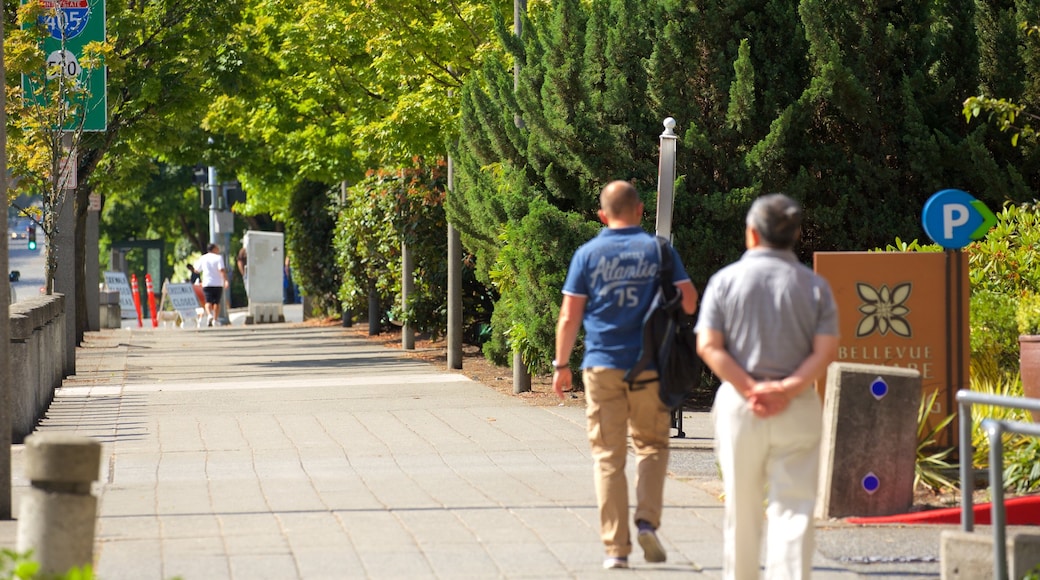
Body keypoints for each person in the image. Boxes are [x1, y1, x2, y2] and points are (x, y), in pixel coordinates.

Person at [552, 180, 698, 570]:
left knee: (607, 457)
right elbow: (689, 301)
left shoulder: (587, 254)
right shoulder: (659, 251)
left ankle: (616, 550)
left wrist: (561, 365)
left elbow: (569, 316)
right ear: (638, 211)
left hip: (601, 366)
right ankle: (647, 521)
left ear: (602, 215)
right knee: (651, 446)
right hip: (650, 367)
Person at [694, 193, 839, 580]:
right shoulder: (815, 287)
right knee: (794, 510)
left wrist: (749, 388)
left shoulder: (725, 281)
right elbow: (826, 351)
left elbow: (708, 345)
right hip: (798, 405)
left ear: (752, 235)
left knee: (741, 508)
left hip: (740, 406)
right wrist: (787, 388)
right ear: (795, 235)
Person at [193, 243, 229, 327]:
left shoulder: (203, 258)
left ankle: (209, 315)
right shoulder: (218, 258)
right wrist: (226, 280)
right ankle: (215, 319)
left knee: (208, 301)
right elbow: (222, 270)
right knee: (216, 302)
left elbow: (196, 270)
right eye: (217, 248)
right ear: (213, 249)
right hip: (217, 283)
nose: (218, 250)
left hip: (207, 283)